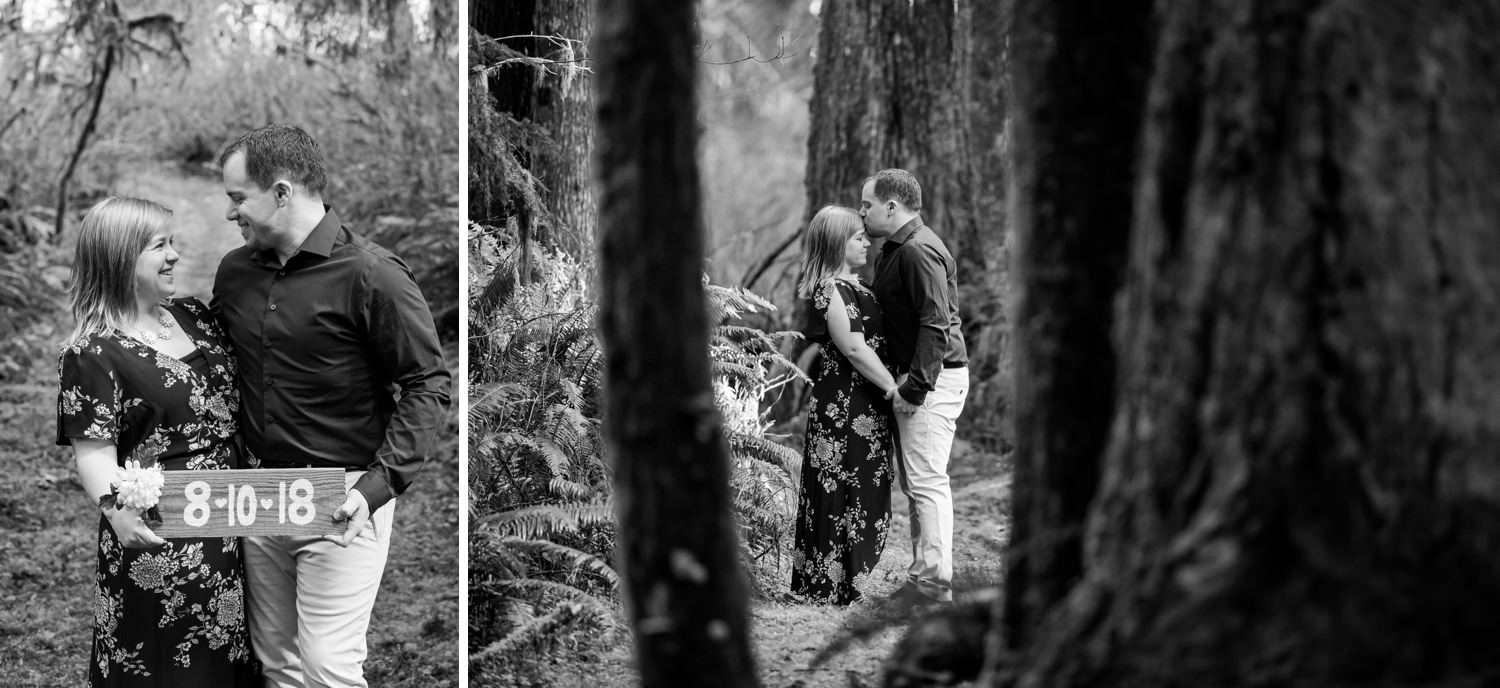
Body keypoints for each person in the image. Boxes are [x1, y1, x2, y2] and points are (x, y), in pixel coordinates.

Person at [210, 124, 452, 688]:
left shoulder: (373, 275)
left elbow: (427, 384)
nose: (230, 214)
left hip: (341, 496)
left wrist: (373, 489)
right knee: (278, 664)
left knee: (328, 668)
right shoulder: (235, 271)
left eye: (237, 198)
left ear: (282, 192)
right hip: (259, 493)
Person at [56, 197, 260, 686]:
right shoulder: (92, 352)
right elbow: (94, 453)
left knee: (233, 652)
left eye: (172, 242)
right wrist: (115, 507)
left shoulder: (191, 315)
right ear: (120, 258)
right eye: (158, 246)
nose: (174, 255)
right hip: (163, 528)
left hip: (235, 515)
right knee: (167, 660)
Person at [859, 169, 969, 607]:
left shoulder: (919, 251)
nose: (862, 212)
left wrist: (915, 388)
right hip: (924, 377)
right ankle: (924, 578)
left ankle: (934, 585)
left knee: (926, 481)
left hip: (934, 380)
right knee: (919, 482)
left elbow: (935, 323)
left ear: (891, 206)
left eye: (867, 204)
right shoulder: (897, 249)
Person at [790, 205, 901, 605]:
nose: (866, 242)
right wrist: (893, 387)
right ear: (837, 243)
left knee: (867, 486)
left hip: (866, 405)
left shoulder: (859, 286)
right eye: (857, 237)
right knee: (842, 487)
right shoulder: (830, 289)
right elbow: (854, 347)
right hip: (844, 405)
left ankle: (853, 577)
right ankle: (832, 583)